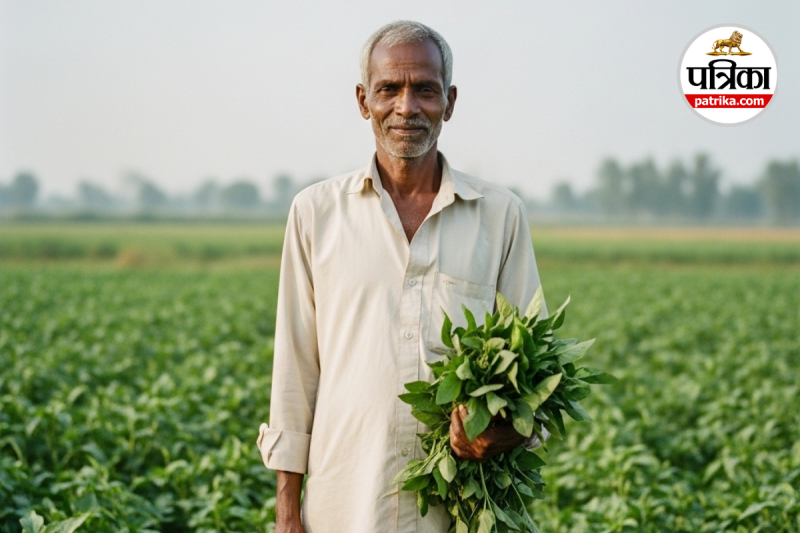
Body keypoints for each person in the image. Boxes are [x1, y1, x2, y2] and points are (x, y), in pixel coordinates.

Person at [257, 20, 547, 533]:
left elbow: (536, 378)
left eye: (426, 90)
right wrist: (287, 512)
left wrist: (499, 431)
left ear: (450, 102)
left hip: (460, 511)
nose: (407, 107)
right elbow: (294, 370)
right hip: (344, 507)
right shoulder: (315, 213)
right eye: (389, 88)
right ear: (363, 100)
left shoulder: (500, 216)